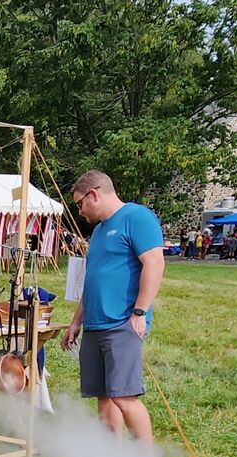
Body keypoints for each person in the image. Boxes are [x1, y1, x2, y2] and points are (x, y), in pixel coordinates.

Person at [60, 170, 164, 442]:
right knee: (104, 395)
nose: (80, 211)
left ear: (93, 193)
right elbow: (92, 280)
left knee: (124, 396)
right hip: (95, 324)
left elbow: (154, 264)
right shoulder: (98, 231)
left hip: (121, 323)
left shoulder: (137, 217)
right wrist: (76, 322)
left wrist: (139, 313)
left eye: (80, 204)